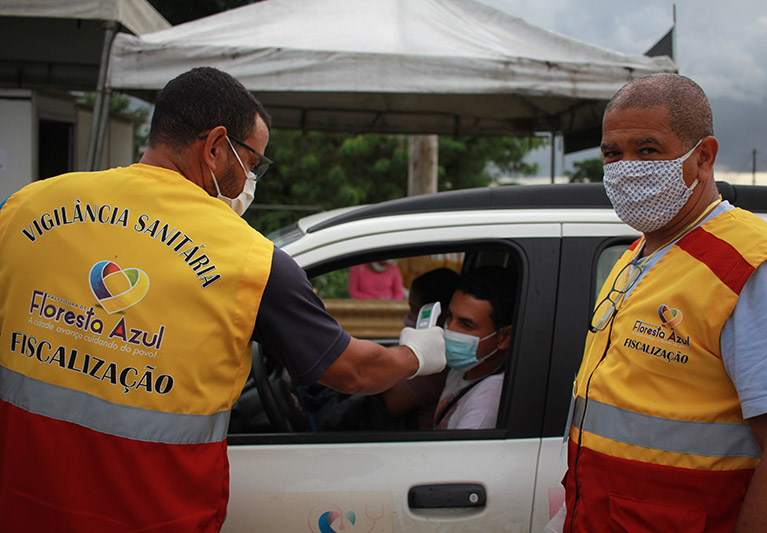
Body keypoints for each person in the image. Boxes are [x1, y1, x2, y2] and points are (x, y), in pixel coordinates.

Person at [0, 67, 445, 532]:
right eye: (253, 163)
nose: (251, 179)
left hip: (20, 509)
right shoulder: (249, 259)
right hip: (157, 518)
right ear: (215, 147)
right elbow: (355, 370)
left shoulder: (25, 208)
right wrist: (417, 355)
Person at [563, 73, 767, 532]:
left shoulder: (752, 268)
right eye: (613, 154)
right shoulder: (638, 255)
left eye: (647, 150)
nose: (626, 168)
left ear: (704, 157)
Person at [433, 265, 515, 430]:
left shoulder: (486, 403)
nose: (449, 330)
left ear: (504, 337)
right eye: (450, 317)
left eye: (466, 325)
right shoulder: (463, 369)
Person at [383, 267, 459, 429]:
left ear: (440, 315)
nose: (408, 317)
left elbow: (390, 404)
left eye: (413, 310)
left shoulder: (433, 361)